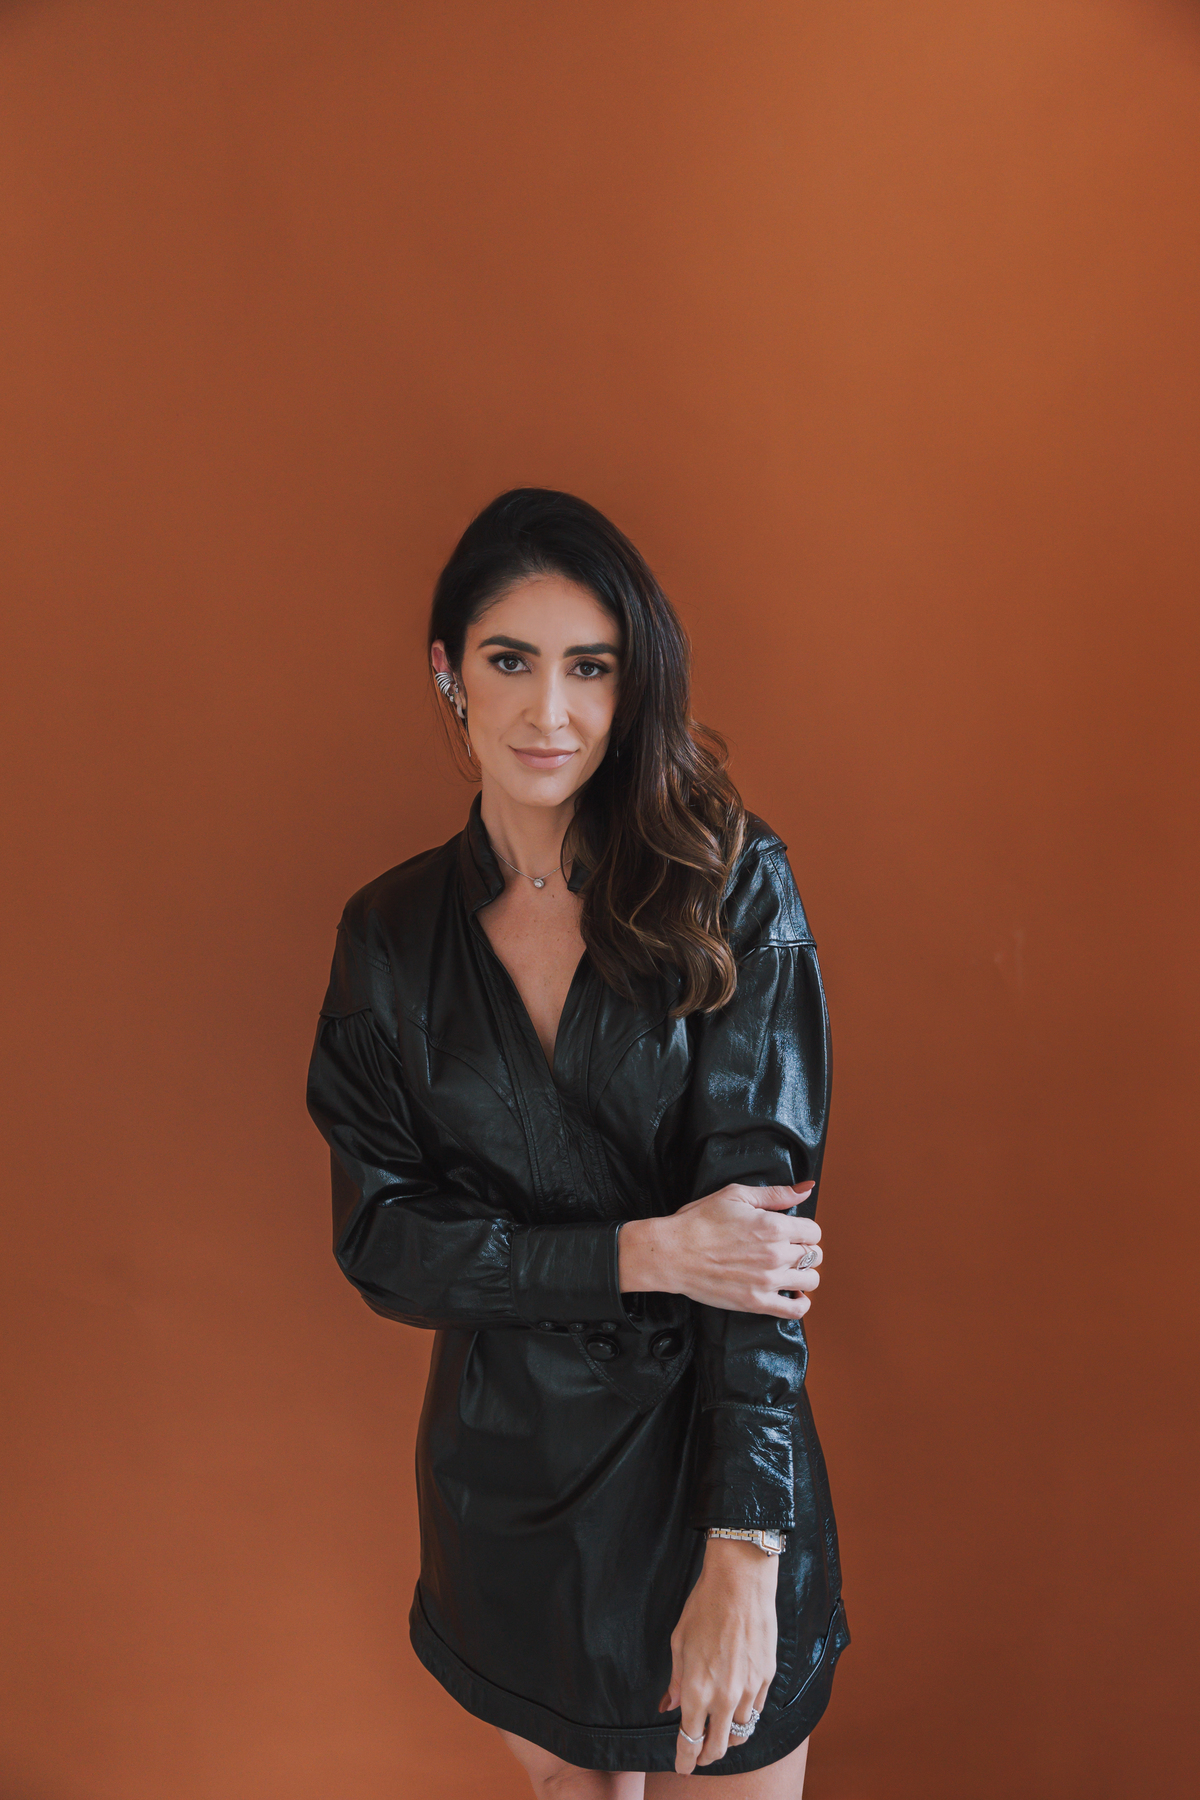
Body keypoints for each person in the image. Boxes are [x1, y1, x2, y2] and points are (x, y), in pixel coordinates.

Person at [305, 489, 848, 1797]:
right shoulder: (389, 937)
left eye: (590, 668)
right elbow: (384, 1244)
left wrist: (745, 1554)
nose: (550, 712)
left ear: (631, 682)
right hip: (509, 1485)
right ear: (449, 672)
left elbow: (762, 1261)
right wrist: (642, 1253)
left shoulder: (731, 884)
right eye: (511, 661)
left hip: (713, 1466)